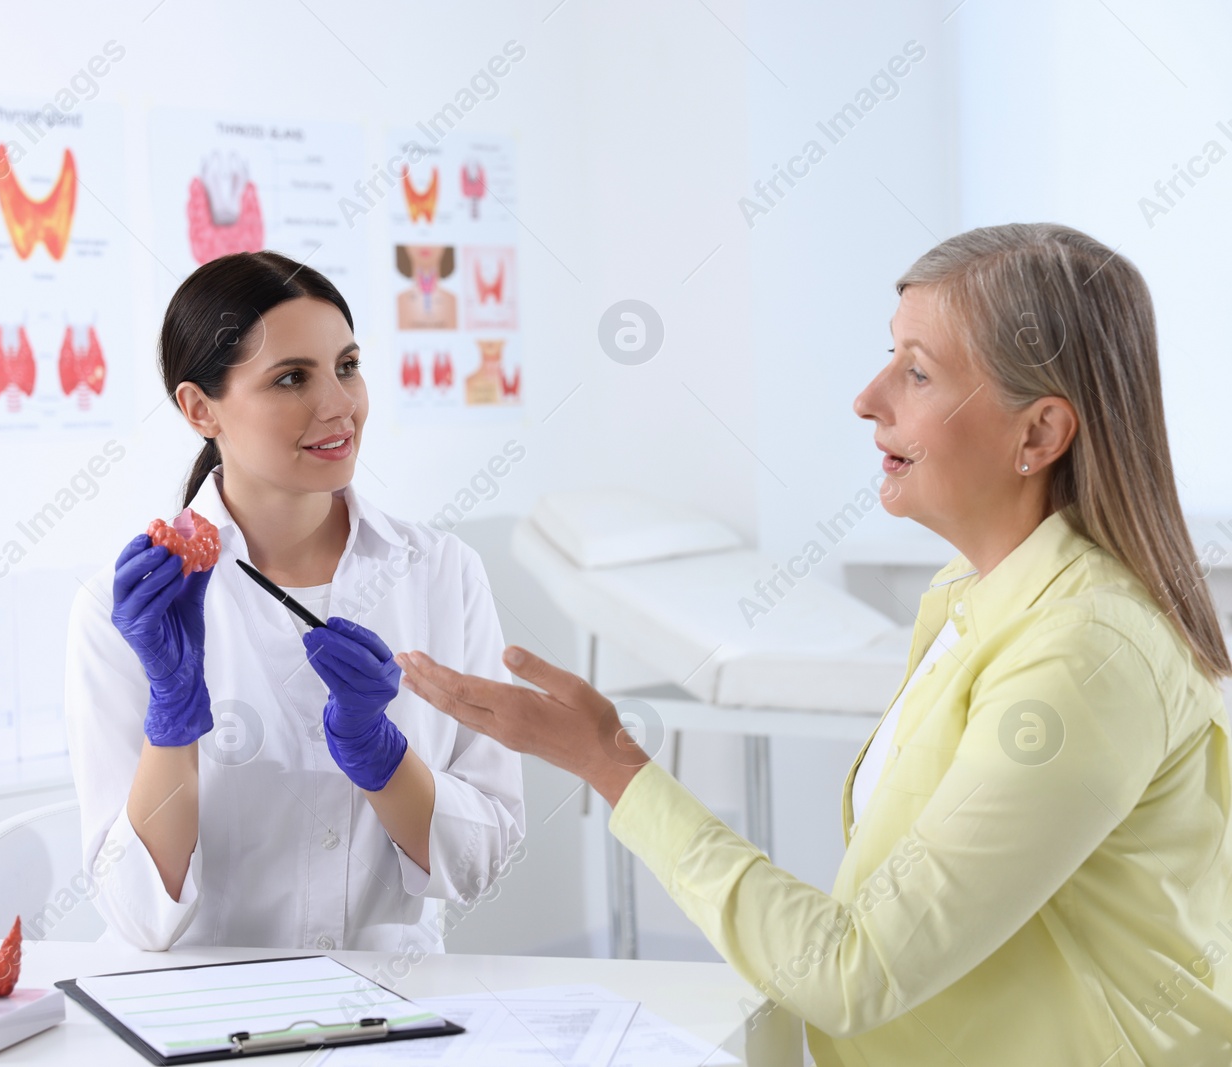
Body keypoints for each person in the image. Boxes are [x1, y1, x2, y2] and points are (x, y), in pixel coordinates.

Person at [394, 223, 1232, 1064]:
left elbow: (851, 971)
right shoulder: (967, 597)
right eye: (889, 357)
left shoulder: (1085, 653)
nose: (868, 398)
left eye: (918, 370)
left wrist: (612, 763)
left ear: (1039, 435)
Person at [65, 250, 524, 953]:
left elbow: (482, 861)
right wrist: (172, 714)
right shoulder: (122, 610)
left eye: (346, 365)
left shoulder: (441, 575)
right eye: (291, 378)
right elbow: (136, 914)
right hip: (199, 1016)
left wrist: (382, 756)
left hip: (387, 1008)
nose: (338, 404)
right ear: (200, 408)